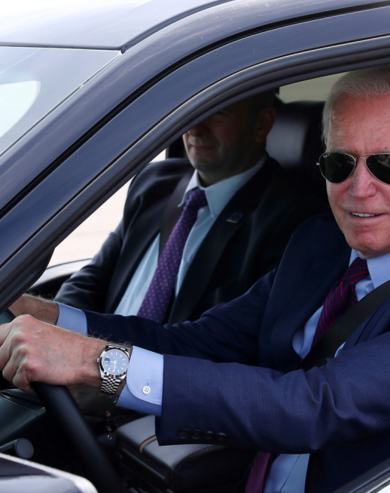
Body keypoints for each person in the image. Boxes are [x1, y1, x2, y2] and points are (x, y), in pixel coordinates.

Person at [0, 65, 390, 493]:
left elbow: (311, 407)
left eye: (388, 165)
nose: (360, 189)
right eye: (340, 164)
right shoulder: (319, 246)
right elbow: (199, 342)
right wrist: (55, 319)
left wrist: (98, 365)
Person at [48, 91, 326, 326]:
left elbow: (217, 342)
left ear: (261, 124)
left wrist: (94, 357)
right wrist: (52, 327)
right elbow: (93, 278)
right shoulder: (154, 183)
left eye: (218, 112)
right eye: (193, 109)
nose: (195, 127)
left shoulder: (291, 221)